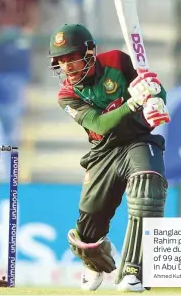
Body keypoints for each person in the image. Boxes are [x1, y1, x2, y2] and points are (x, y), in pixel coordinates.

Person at [47, 24, 170, 292]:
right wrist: (132, 103)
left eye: (72, 58)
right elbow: (100, 125)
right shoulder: (66, 95)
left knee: (147, 190)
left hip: (138, 139)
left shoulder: (116, 61)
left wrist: (157, 97)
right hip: (104, 149)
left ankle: (134, 272)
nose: (67, 67)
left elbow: (154, 87)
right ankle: (93, 264)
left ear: (89, 52)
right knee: (88, 226)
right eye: (61, 61)